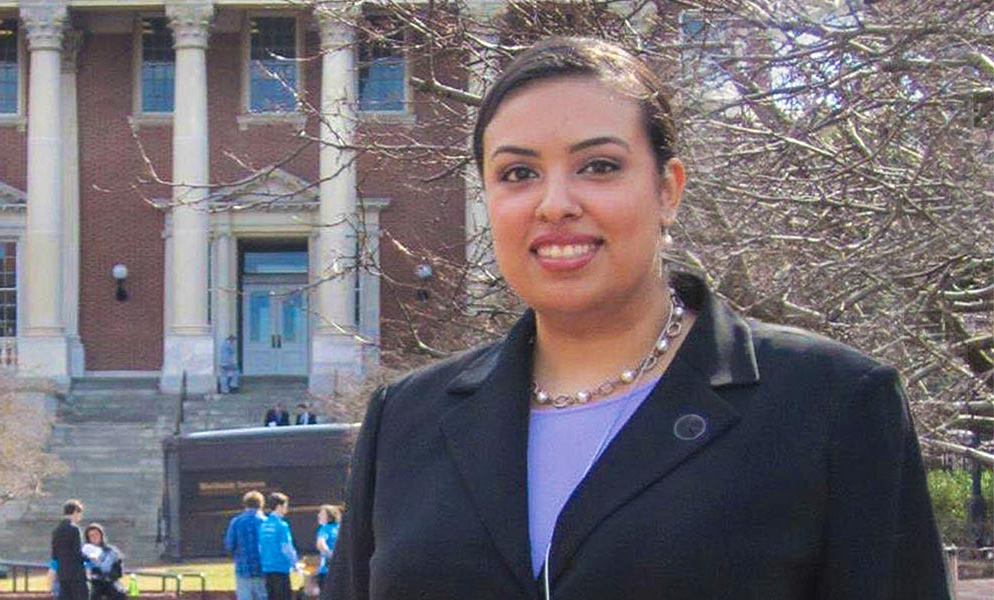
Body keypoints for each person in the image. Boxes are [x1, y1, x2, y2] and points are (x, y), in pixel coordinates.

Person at [325, 37, 950, 600]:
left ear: (667, 189)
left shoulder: (830, 403)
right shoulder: (407, 420)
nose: (556, 204)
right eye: (518, 174)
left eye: (599, 166)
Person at [223, 490, 268, 600]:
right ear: (261, 504)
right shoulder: (266, 522)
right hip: (263, 569)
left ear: (245, 504)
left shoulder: (236, 522)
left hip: (243, 569)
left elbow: (229, 545)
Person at [259, 493, 298, 600]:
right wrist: (295, 564)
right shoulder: (282, 525)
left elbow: (260, 547)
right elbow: (287, 548)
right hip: (280, 569)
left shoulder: (264, 524)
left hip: (267, 569)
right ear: (279, 506)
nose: (286, 510)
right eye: (285, 506)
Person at [51, 499, 89, 600]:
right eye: (80, 513)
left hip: (62, 574)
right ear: (76, 511)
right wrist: (89, 558)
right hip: (76, 575)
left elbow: (54, 554)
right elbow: (77, 552)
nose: (80, 517)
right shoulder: (74, 529)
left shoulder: (56, 530)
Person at [83, 523, 126, 600]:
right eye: (91, 536)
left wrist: (109, 575)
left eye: (96, 534)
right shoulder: (84, 552)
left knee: (119, 593)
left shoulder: (111, 551)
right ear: (88, 538)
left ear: (101, 535)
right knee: (92, 594)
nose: (94, 537)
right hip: (93, 583)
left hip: (109, 581)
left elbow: (118, 570)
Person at [314, 505, 340, 594]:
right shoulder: (340, 528)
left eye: (321, 514)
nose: (318, 515)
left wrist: (331, 556)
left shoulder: (325, 528)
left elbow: (320, 544)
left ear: (329, 516)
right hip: (341, 570)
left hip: (326, 571)